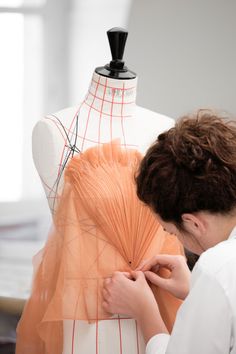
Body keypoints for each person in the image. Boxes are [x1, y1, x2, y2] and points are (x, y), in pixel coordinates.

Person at [102, 109, 236, 354]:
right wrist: (197, 292)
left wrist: (145, 313)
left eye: (171, 232)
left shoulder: (219, 266)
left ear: (194, 224)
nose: (174, 239)